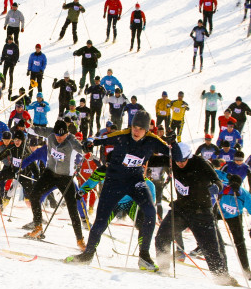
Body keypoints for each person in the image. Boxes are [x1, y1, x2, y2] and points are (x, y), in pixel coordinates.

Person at [66, 110, 176, 271]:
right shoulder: (123, 135)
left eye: (140, 128)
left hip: (135, 182)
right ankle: (87, 254)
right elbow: (100, 139)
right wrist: (90, 142)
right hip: (114, 183)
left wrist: (174, 144)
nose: (136, 131)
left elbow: (175, 153)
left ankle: (144, 256)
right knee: (100, 221)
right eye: (134, 127)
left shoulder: (153, 140)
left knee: (150, 212)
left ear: (146, 130)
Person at [20, 120, 85, 247]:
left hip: (65, 178)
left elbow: (82, 149)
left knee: (72, 209)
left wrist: (87, 147)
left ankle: (80, 240)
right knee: (34, 195)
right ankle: (38, 227)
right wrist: (27, 128)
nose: (59, 138)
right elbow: (36, 130)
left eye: (62, 136)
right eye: (57, 135)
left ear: (67, 133)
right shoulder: (50, 133)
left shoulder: (72, 141)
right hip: (50, 173)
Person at [216, 173, 251, 280]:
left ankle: (246, 269)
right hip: (219, 212)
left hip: (234, 217)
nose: (232, 190)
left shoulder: (244, 194)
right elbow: (216, 172)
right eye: (231, 186)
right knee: (209, 229)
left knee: (239, 242)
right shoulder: (224, 187)